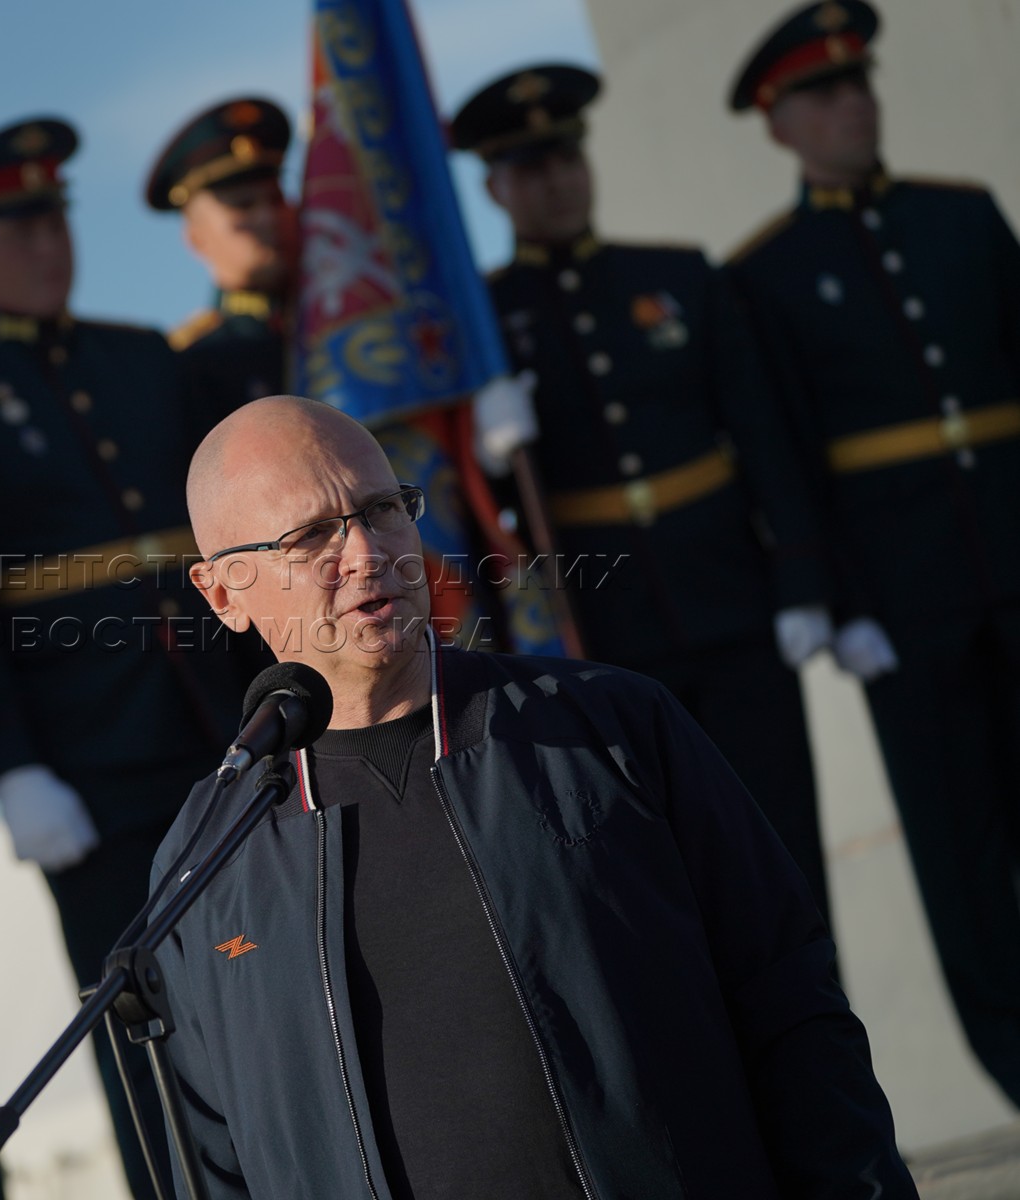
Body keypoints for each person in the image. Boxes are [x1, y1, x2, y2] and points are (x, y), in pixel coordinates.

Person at [154, 394, 914, 1198]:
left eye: (382, 509)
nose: (368, 552)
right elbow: (217, 1159)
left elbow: (788, 1000)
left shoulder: (610, 725)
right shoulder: (205, 860)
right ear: (223, 593)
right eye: (311, 536)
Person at [0, 115, 247, 1199]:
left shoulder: (146, 358)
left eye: (54, 218)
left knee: (273, 993)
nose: (45, 243)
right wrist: (11, 762)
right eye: (15, 225)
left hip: (219, 724)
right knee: (141, 1026)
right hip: (86, 760)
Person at [449, 63, 837, 918]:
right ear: (494, 187)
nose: (557, 182)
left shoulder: (678, 276)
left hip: (731, 602)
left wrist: (803, 579)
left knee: (781, 852)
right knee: (662, 877)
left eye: (566, 158)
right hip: (604, 626)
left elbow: (763, 438)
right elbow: (469, 506)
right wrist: (480, 439)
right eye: (531, 168)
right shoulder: (481, 322)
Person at [725, 0, 1020, 1105]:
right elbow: (785, 454)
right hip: (906, 612)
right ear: (777, 125)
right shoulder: (764, 273)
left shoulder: (963, 217)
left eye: (857, 83)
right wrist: (828, 597)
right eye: (820, 93)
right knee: (965, 875)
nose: (850, 104)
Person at [145, 97, 297, 424]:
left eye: (276, 198)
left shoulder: (343, 316)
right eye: (243, 205)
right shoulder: (193, 366)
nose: (268, 217)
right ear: (196, 238)